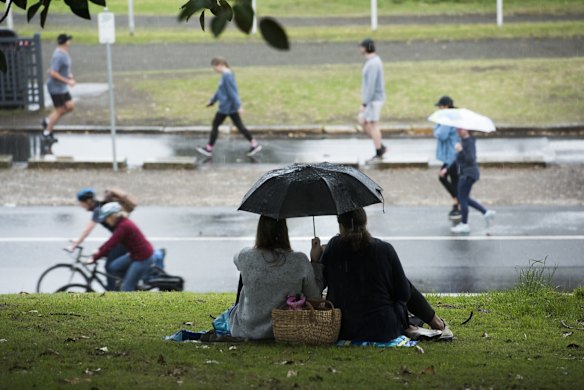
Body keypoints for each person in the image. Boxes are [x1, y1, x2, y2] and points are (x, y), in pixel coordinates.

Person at [311, 208, 453, 342]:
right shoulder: (384, 249)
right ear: (365, 223)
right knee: (402, 283)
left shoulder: (332, 248)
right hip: (384, 329)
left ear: (341, 226)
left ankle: (419, 324)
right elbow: (403, 294)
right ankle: (436, 323)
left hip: (344, 330)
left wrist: (315, 261)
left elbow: (315, 291)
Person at [229, 216, 322, 340]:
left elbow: (236, 260)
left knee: (244, 275)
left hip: (246, 329)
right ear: (284, 231)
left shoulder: (245, 256)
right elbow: (314, 297)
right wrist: (315, 262)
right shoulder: (300, 260)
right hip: (284, 329)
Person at [197, 57, 262, 158]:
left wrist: (238, 106)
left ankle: (209, 148)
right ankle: (254, 144)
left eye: (215, 67)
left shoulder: (227, 76)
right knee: (240, 126)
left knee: (215, 124)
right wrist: (212, 101)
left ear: (220, 65)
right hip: (228, 107)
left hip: (226, 108)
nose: (215, 70)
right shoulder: (225, 75)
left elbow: (233, 92)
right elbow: (220, 91)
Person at [87, 202, 156, 291]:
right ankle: (131, 281)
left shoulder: (123, 226)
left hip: (142, 258)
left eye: (106, 218)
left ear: (113, 216)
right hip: (134, 255)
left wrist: (95, 258)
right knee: (114, 266)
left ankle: (130, 290)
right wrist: (99, 250)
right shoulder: (121, 223)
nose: (106, 221)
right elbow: (110, 242)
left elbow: (111, 244)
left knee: (126, 288)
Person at [451, 128, 496, 234]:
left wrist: (460, 151)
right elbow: (460, 160)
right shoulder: (464, 141)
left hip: (468, 174)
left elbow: (470, 159)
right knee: (465, 198)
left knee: (462, 199)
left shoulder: (469, 142)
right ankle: (486, 212)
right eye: (457, 129)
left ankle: (464, 224)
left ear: (467, 130)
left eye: (460, 129)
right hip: (466, 173)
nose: (458, 131)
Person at [42, 33, 76, 143]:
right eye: (68, 41)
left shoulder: (63, 53)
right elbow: (53, 72)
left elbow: (56, 69)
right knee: (60, 109)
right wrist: (68, 81)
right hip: (55, 87)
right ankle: (47, 132)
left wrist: (68, 75)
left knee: (70, 106)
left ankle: (48, 120)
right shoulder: (59, 55)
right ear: (65, 42)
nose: (69, 43)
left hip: (62, 87)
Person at [433, 96, 461, 220]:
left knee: (442, 176)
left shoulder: (448, 119)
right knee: (454, 180)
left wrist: (437, 127)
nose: (438, 108)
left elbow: (441, 134)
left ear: (445, 106)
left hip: (452, 156)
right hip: (453, 155)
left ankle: (459, 202)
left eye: (440, 106)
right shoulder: (451, 117)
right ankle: (457, 205)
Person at [358, 38, 387, 161]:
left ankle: (379, 151)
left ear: (365, 48)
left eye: (361, 47)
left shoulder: (373, 63)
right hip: (372, 99)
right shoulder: (372, 62)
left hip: (374, 100)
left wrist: (365, 103)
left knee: (373, 125)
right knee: (363, 122)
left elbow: (371, 85)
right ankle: (379, 144)